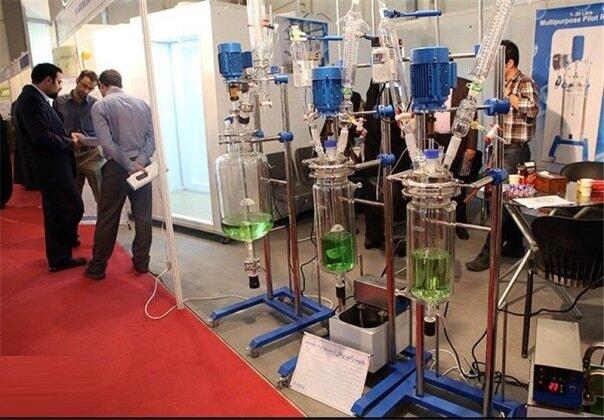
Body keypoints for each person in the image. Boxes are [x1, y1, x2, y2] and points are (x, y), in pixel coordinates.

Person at [466, 40, 539, 272]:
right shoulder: (503, 83)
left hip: (515, 150)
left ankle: (488, 253)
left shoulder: (524, 82)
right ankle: (515, 245)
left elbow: (533, 109)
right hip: (500, 147)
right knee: (506, 200)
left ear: (509, 62)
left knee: (501, 202)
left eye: (499, 61)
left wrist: (511, 97)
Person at [76, 69, 155, 280]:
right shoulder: (142, 104)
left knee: (108, 218)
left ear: (102, 86)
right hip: (142, 167)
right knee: (143, 217)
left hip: (117, 168)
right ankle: (142, 263)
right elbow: (151, 139)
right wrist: (138, 162)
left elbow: (108, 143)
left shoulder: (101, 106)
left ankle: (98, 267)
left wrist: (128, 165)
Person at [13, 63, 85, 272]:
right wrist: (70, 143)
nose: (61, 86)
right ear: (48, 80)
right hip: (51, 169)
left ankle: (59, 258)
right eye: (59, 81)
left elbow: (47, 131)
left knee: (55, 213)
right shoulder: (31, 101)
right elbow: (41, 137)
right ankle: (64, 248)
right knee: (73, 207)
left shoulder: (35, 99)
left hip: (50, 168)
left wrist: (67, 137)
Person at [432, 76, 480, 240]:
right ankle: (438, 222)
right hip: (435, 139)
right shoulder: (433, 83)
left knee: (457, 184)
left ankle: (460, 224)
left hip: (457, 140)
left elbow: (472, 117)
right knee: (436, 183)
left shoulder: (464, 85)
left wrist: (471, 145)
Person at [54, 70, 105, 204]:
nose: (86, 90)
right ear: (77, 80)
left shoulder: (96, 104)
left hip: (91, 155)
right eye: (84, 85)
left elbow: (102, 131)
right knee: (72, 200)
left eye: (90, 88)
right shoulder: (59, 102)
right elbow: (55, 128)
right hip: (69, 155)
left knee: (102, 198)